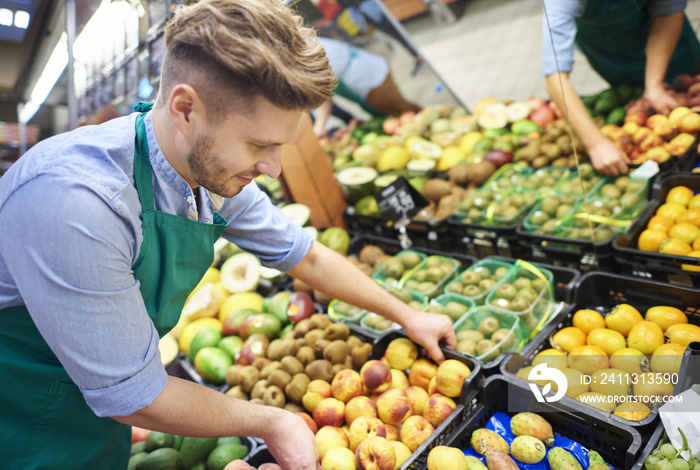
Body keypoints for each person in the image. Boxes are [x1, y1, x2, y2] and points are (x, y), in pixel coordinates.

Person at [0, 1, 455, 469]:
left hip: (94, 410)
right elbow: (131, 396)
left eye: (281, 145)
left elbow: (304, 255)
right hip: (21, 424)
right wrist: (270, 421)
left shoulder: (204, 171)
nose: (274, 169)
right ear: (185, 109)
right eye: (260, 145)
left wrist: (407, 315)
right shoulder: (78, 203)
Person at [541, 0, 700, 176]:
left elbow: (668, 10)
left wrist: (654, 85)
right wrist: (596, 144)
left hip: (668, 40)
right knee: (629, 91)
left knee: (689, 82)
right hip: (608, 48)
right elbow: (555, 77)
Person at [312, 36, 421, 138]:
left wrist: (319, 126)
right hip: (364, 81)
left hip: (371, 79)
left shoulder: (304, 51)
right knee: (400, 114)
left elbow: (323, 96)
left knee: (405, 116)